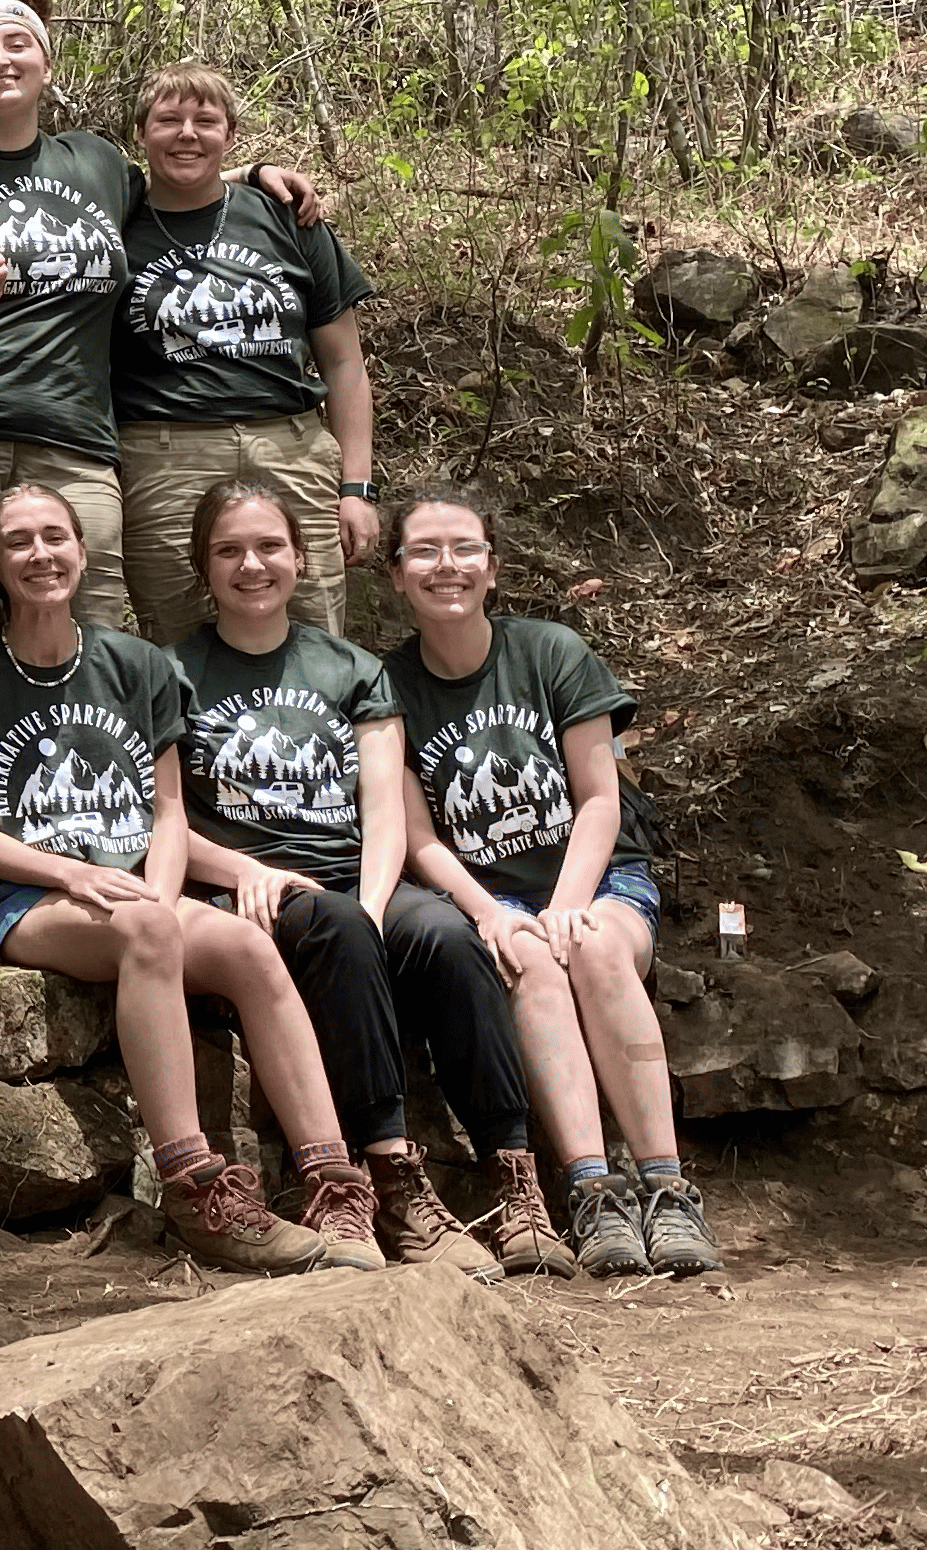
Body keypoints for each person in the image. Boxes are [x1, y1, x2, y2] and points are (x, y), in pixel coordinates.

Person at [0, 481, 378, 1274]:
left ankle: (333, 1182)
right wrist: (77, 877)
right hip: (27, 897)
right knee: (147, 927)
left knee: (245, 946)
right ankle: (192, 1185)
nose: (41, 553)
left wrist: (158, 886)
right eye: (19, 542)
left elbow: (167, 813)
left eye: (56, 536)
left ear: (83, 550)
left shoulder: (137, 665)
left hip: (134, 890)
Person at [171, 476, 574, 1279]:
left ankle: (512, 1180)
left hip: (360, 877)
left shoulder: (352, 668)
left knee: (448, 937)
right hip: (247, 885)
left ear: (301, 557)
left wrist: (377, 898)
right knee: (337, 924)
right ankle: (389, 1180)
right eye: (230, 551)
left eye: (270, 547)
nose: (253, 565)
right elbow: (162, 821)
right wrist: (250, 867)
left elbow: (385, 811)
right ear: (203, 566)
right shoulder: (170, 672)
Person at [379, 486, 720, 1280]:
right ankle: (592, 1190)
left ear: (491, 567)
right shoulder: (388, 684)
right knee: (529, 959)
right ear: (396, 575)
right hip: (489, 893)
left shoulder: (552, 651)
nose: (446, 566)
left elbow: (601, 800)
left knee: (594, 949)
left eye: (464, 548)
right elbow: (418, 838)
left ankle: (667, 1189)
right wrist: (490, 916)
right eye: (424, 551)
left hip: (598, 880)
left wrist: (567, 906)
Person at [0, 0, 317, 638]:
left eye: (17, 44)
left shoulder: (93, 161)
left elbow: (183, 183)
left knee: (93, 631)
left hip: (80, 444)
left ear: (46, 64)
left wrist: (253, 172)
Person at [112, 64, 378, 639]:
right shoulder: (116, 222)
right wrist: (251, 169)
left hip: (292, 446)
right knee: (177, 634)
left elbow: (344, 364)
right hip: (163, 453)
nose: (188, 133)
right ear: (141, 134)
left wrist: (357, 488)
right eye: (169, 120)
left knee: (312, 624)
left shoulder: (286, 217)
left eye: (205, 121)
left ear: (229, 134)